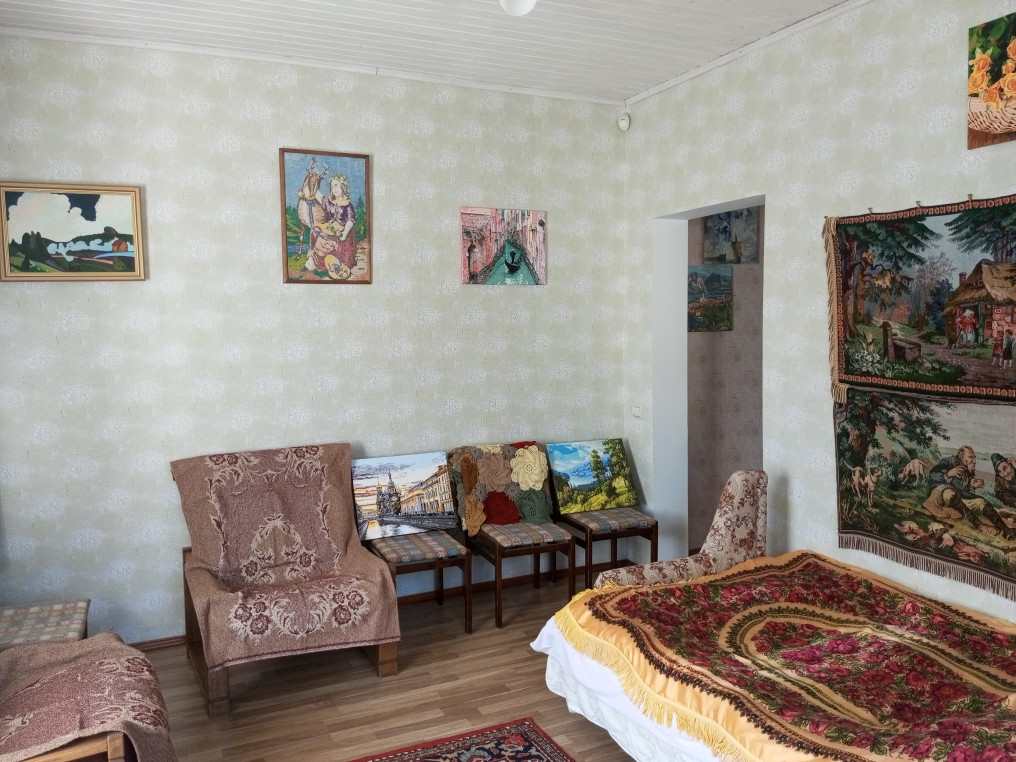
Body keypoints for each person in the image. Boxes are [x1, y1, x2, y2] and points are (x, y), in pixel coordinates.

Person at [305, 174, 357, 278]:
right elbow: (320, 197)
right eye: (332, 186)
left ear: (343, 186)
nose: (334, 189)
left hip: (341, 232)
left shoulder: (348, 205)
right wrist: (311, 185)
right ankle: (313, 261)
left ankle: (329, 266)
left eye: (336, 185)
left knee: (326, 242)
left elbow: (350, 221)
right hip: (329, 228)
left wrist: (344, 233)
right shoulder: (331, 202)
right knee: (315, 230)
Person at [923, 445, 989, 525]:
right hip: (940, 493)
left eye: (974, 457)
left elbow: (959, 488)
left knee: (979, 502)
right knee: (951, 495)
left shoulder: (967, 468)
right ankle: (978, 524)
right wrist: (948, 474)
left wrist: (971, 486)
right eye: (971, 457)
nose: (974, 461)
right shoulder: (947, 462)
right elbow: (933, 475)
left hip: (954, 499)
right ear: (961, 456)